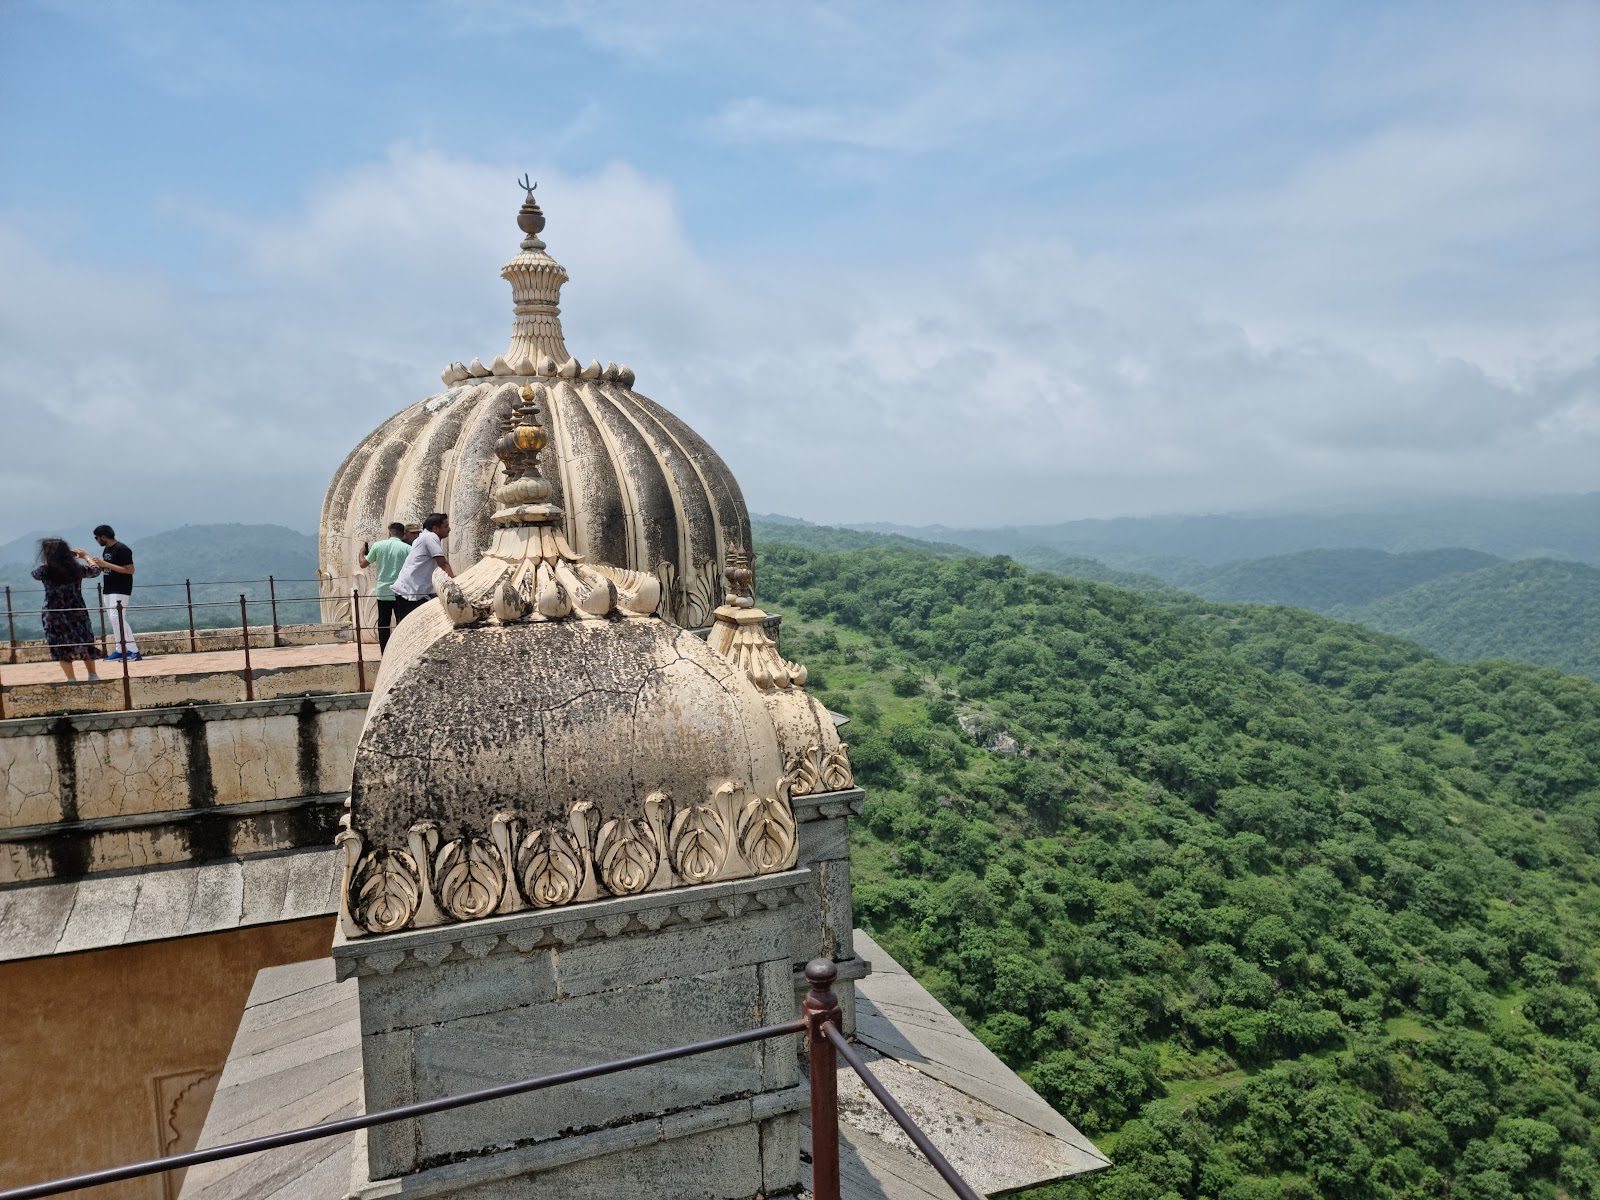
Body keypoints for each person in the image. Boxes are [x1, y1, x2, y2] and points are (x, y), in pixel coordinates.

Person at [31, 538, 103, 682]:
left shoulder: (45, 570)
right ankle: (92, 675)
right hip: (76, 610)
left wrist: (52, 560)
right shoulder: (76, 569)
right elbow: (96, 571)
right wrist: (85, 556)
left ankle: (71, 678)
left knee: (60, 644)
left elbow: (35, 574)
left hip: (53, 612)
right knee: (85, 640)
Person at [88, 524, 141, 662]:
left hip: (121, 589)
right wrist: (100, 564)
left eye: (97, 537)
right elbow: (109, 567)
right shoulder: (107, 549)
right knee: (114, 620)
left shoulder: (122, 549)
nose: (96, 540)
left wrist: (106, 564)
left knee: (118, 618)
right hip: (109, 589)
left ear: (103, 537)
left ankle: (134, 651)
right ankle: (120, 649)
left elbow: (130, 570)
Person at [393, 513, 453, 625]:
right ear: (435, 528)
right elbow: (443, 563)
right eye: (445, 526)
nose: (449, 529)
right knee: (414, 628)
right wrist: (456, 587)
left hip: (410, 591)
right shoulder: (430, 537)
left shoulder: (424, 537)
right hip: (411, 593)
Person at [359, 522, 411, 650]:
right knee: (401, 622)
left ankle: (384, 651)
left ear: (389, 532)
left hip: (383, 591)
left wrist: (361, 552)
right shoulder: (406, 549)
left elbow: (363, 564)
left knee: (383, 623)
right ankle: (401, 649)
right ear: (403, 534)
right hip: (400, 591)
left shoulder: (378, 546)